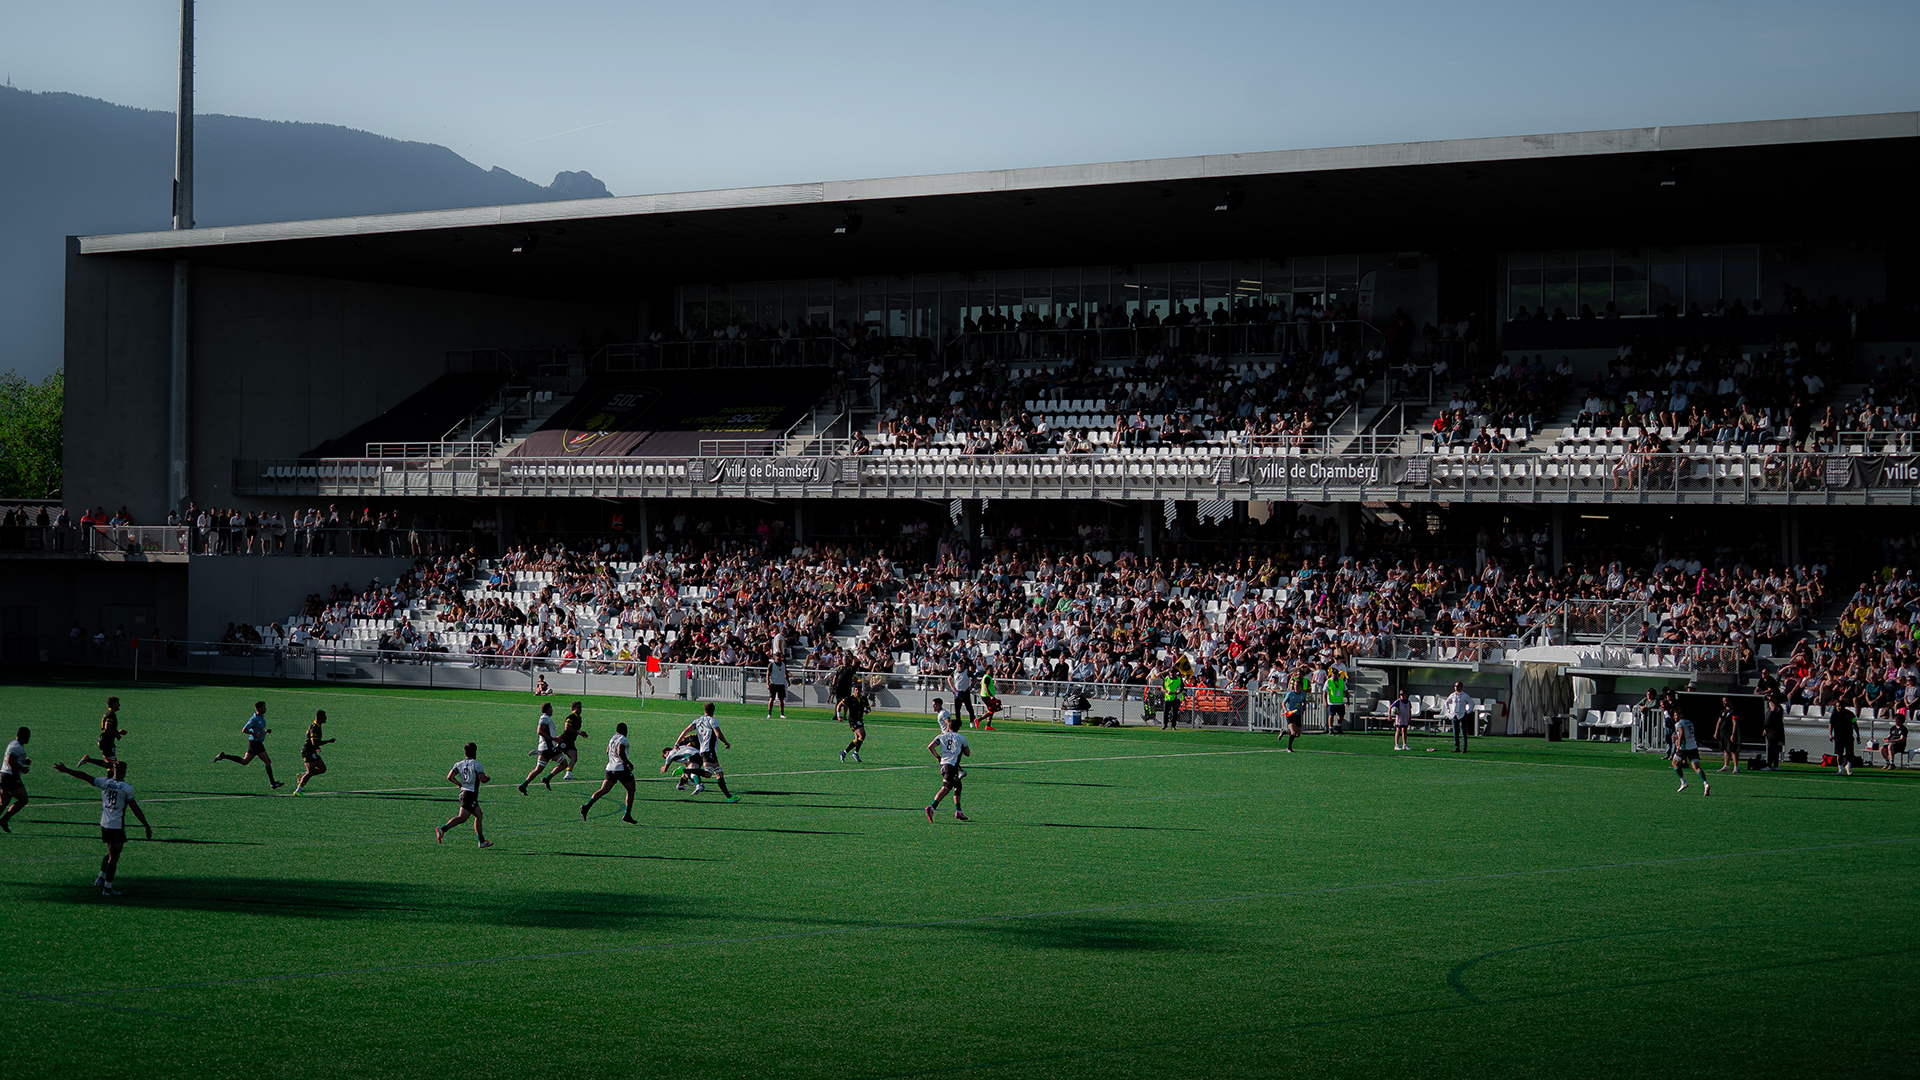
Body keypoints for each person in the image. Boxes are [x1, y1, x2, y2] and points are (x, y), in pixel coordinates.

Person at [54, 759, 151, 895]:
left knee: (110, 853)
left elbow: (84, 776)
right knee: (114, 858)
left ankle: (101, 877)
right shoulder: (127, 788)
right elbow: (135, 808)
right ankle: (107, 888)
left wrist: (66, 770)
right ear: (124, 772)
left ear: (113, 770)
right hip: (116, 826)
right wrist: (146, 824)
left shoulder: (104, 782)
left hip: (104, 824)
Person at [213, 701, 284, 788]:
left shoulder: (262, 717)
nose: (265, 709)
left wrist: (265, 731)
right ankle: (273, 783)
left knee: (244, 762)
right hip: (255, 743)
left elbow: (259, 729)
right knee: (268, 761)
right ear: (259, 709)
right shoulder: (254, 719)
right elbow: (244, 730)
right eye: (264, 707)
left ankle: (223, 756)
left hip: (254, 743)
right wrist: (254, 734)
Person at [435, 742, 492, 848]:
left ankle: (481, 841)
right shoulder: (476, 765)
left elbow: (450, 777)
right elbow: (483, 779)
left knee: (479, 815)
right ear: (475, 752)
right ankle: (443, 829)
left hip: (464, 793)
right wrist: (488, 777)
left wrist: (459, 784)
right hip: (470, 795)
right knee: (462, 818)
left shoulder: (459, 764)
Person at [675, 704, 737, 801]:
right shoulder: (713, 721)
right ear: (713, 711)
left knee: (719, 772)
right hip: (709, 751)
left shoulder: (697, 721)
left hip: (704, 750)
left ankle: (729, 797)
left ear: (704, 711)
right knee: (709, 774)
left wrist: (677, 743)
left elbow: (685, 731)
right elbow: (718, 734)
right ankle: (686, 770)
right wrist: (726, 742)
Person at [581, 722, 638, 822]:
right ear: (625, 731)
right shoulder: (623, 739)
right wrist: (628, 763)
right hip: (620, 768)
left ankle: (586, 806)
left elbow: (607, 751)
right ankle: (627, 814)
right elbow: (620, 751)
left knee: (603, 790)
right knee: (631, 789)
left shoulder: (613, 738)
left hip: (610, 768)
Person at [925, 714, 970, 822]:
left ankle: (958, 811)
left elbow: (930, 747)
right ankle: (932, 807)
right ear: (958, 728)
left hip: (943, 765)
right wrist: (961, 748)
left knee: (958, 785)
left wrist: (938, 757)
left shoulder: (941, 736)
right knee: (946, 788)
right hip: (951, 766)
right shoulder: (961, 738)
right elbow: (967, 753)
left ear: (948, 727)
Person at [519, 703, 562, 794]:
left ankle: (524, 785)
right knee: (564, 763)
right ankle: (547, 779)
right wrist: (553, 739)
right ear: (547, 710)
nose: (552, 710)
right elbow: (539, 731)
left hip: (545, 748)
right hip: (548, 748)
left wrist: (555, 738)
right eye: (550, 708)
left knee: (538, 769)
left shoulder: (546, 718)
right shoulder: (544, 718)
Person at [291, 710, 335, 795]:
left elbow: (309, 737)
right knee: (310, 772)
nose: (326, 718)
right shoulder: (315, 728)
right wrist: (328, 741)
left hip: (312, 751)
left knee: (322, 769)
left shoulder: (316, 725)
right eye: (324, 716)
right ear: (320, 717)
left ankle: (302, 775)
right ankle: (298, 791)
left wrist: (316, 747)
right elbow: (314, 742)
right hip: (307, 751)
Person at [541, 701, 585, 784]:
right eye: (578, 707)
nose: (580, 709)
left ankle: (567, 774)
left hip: (570, 742)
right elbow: (567, 728)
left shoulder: (578, 717)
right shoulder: (571, 717)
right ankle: (541, 752)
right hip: (565, 740)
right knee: (552, 756)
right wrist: (579, 732)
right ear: (573, 708)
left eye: (581, 707)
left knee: (574, 757)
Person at [78, 696, 127, 771]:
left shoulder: (108, 713)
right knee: (113, 765)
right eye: (118, 703)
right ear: (113, 704)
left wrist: (118, 732)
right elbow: (107, 727)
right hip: (106, 742)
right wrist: (116, 734)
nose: (119, 705)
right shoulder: (111, 714)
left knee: (111, 765)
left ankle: (109, 778)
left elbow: (107, 729)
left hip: (105, 741)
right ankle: (88, 760)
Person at [1671, 712, 1711, 795]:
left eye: (1676, 714)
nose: (1675, 716)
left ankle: (1683, 782)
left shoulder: (1679, 724)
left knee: (1674, 763)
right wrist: (1677, 736)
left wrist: (1679, 744)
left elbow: (1681, 732)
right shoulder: (1689, 722)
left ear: (1681, 714)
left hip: (1684, 747)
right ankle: (1706, 784)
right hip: (1693, 746)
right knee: (1696, 767)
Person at [0, 727, 30, 832]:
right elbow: (10, 760)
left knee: (4, 802)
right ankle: (4, 820)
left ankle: (4, 820)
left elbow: (12, 759)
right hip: (10, 777)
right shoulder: (18, 747)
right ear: (25, 737)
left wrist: (23, 761)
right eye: (28, 736)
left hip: (3, 775)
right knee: (23, 799)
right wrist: (23, 768)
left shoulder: (12, 743)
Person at [1444, 681, 1476, 752]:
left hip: (1462, 715)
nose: (1456, 687)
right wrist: (1449, 710)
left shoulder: (1464, 695)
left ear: (1461, 687)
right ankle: (1456, 747)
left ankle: (1464, 748)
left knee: (1463, 732)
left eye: (1458, 686)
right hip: (1454, 715)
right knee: (1455, 732)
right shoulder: (1452, 695)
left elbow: (1472, 703)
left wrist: (1468, 711)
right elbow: (1446, 702)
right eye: (1455, 686)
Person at [1829, 703, 1858, 776]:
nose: (1838, 707)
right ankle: (1840, 769)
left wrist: (1858, 734)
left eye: (1840, 706)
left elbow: (1855, 723)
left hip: (1848, 736)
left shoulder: (1851, 714)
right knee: (1839, 753)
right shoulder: (1834, 714)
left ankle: (1849, 766)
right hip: (1838, 737)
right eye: (1837, 706)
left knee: (1850, 753)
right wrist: (1830, 734)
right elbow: (1831, 724)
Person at [840, 688, 867, 762]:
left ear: (861, 691)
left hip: (860, 719)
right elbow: (839, 705)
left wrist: (867, 711)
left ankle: (844, 752)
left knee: (857, 739)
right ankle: (856, 753)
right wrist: (839, 715)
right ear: (854, 690)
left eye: (859, 690)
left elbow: (868, 708)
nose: (857, 691)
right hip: (853, 720)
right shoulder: (850, 698)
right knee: (862, 735)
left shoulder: (864, 699)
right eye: (856, 690)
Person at [1714, 697, 1740, 773]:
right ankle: (1726, 765)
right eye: (1723, 701)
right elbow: (1719, 722)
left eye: (1725, 701)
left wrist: (1733, 734)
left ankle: (1736, 767)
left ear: (1729, 701)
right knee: (1725, 749)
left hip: (1729, 733)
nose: (1724, 702)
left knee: (1732, 749)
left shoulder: (1734, 711)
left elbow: (1735, 723)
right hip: (1722, 733)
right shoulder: (1722, 711)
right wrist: (1716, 732)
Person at [1762, 693, 1787, 771]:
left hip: (1775, 731)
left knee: (1773, 748)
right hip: (1769, 730)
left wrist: (1770, 700)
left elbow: (1773, 709)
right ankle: (1773, 764)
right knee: (1772, 748)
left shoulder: (1778, 708)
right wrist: (1765, 729)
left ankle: (1771, 765)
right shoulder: (1769, 709)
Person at [1281, 675, 1306, 751]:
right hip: (1290, 714)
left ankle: (1285, 732)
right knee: (1293, 732)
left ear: (1300, 686)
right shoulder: (1290, 694)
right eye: (1295, 685)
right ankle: (1289, 748)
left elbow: (1304, 702)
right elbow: (1283, 703)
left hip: (1298, 714)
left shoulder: (1303, 694)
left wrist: (1303, 709)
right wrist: (1286, 710)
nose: (1296, 687)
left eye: (1297, 685)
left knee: (1298, 735)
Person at [1325, 668, 1348, 735]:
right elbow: (1324, 692)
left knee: (1342, 715)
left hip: (1340, 701)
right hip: (1331, 702)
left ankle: (1338, 726)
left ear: (1338, 674)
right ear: (1331, 674)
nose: (1334, 675)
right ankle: (1330, 728)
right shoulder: (1328, 681)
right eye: (1333, 674)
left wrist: (1348, 700)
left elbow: (1345, 690)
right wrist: (1325, 701)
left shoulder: (1341, 681)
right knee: (1331, 715)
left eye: (1336, 674)